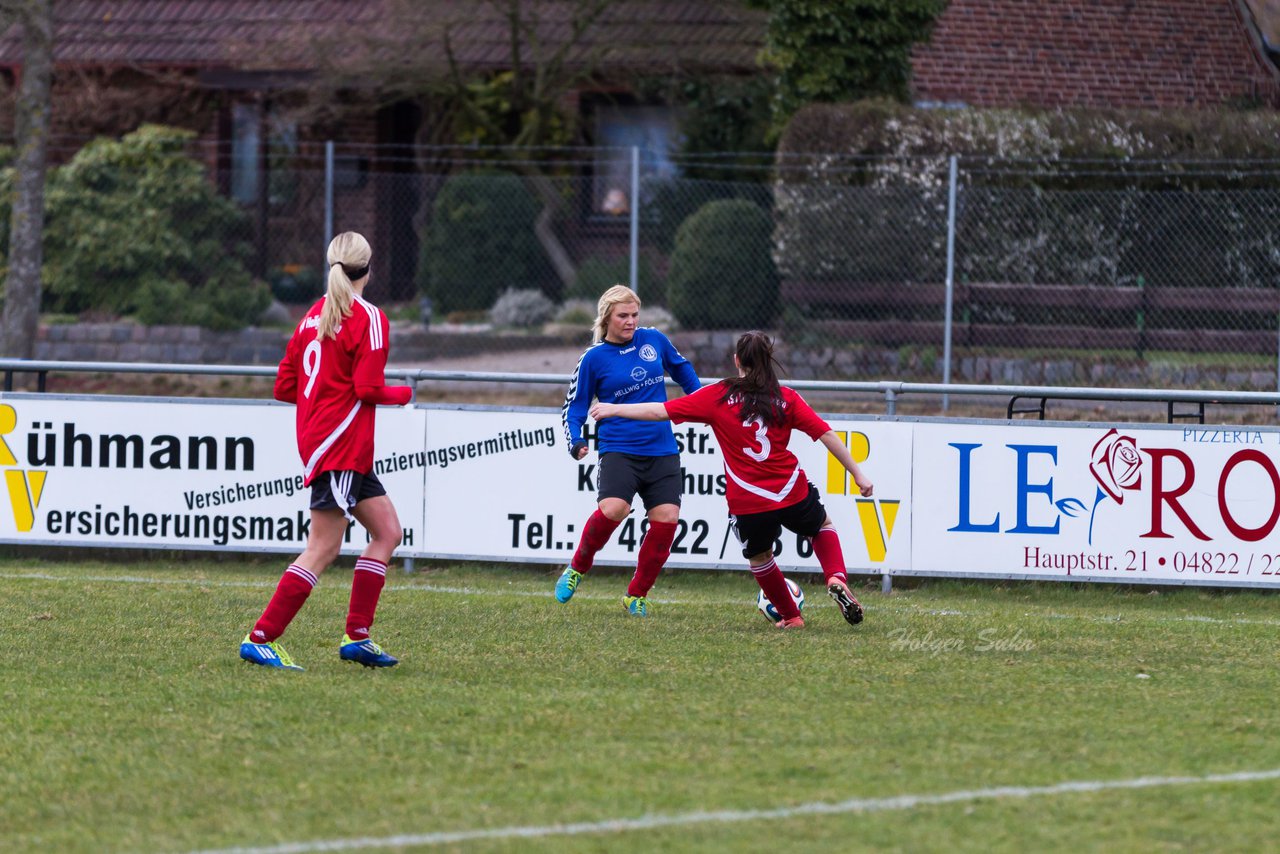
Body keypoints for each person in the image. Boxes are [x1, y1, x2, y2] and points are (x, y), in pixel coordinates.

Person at [590, 330, 873, 629]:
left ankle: (791, 616)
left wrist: (614, 408)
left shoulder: (719, 395)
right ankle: (835, 577)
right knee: (821, 526)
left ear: (737, 360)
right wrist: (858, 473)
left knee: (760, 558)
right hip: (790, 490)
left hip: (748, 501)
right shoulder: (786, 397)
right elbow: (826, 434)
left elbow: (660, 411)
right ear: (768, 360)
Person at [239, 231, 412, 670]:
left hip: (336, 446)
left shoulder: (309, 318)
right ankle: (261, 637)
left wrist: (324, 406)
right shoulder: (369, 317)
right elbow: (368, 388)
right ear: (368, 269)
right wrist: (405, 394)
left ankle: (357, 636)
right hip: (339, 446)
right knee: (322, 548)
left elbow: (284, 387)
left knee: (388, 532)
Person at [558, 284, 702, 616]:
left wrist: (699, 402)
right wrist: (576, 440)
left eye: (635, 314)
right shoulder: (593, 358)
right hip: (619, 447)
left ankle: (636, 595)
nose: (631, 321)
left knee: (667, 520)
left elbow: (683, 369)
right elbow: (574, 408)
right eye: (623, 315)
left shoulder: (654, 340)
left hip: (662, 448)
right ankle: (577, 568)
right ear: (607, 317)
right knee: (614, 509)